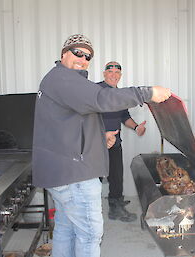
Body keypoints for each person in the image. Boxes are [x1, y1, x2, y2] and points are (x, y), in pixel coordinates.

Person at [32, 34, 171, 257]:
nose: (83, 59)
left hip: (64, 171)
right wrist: (148, 93)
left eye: (88, 56)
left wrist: (100, 137)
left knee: (67, 230)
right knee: (89, 235)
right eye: (78, 52)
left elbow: (69, 125)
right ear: (63, 54)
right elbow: (102, 100)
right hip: (74, 176)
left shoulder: (62, 81)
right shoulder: (64, 79)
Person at [97, 62, 146, 222]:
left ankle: (115, 206)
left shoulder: (120, 95)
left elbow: (125, 116)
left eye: (117, 72)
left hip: (115, 144)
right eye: (110, 72)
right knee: (93, 180)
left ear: (120, 76)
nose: (113, 75)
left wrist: (137, 127)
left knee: (116, 177)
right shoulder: (95, 91)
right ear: (104, 74)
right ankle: (90, 211)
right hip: (96, 144)